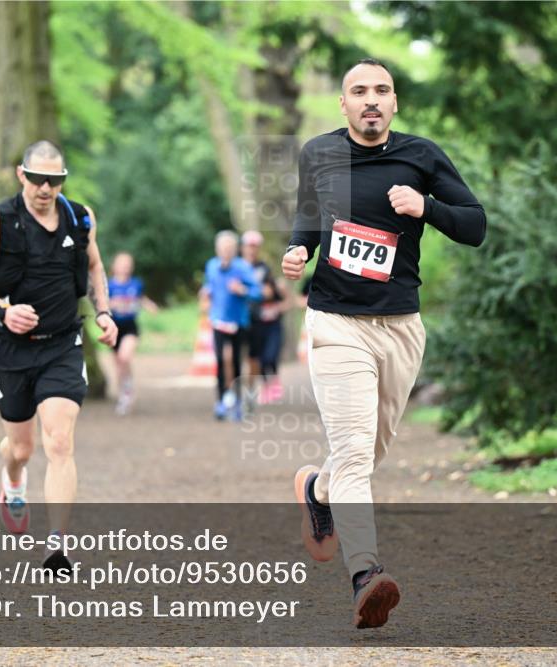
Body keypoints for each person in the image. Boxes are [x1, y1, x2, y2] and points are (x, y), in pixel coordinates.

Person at [282, 59, 486, 628]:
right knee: (353, 452)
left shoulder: (421, 156)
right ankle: (365, 574)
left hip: (400, 327)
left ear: (394, 103)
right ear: (343, 103)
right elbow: (308, 219)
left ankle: (318, 490)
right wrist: (299, 250)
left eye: (381, 90)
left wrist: (426, 207)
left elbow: (475, 225)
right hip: (335, 321)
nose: (370, 99)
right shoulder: (319, 153)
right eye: (359, 91)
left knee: (369, 449)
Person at [0, 140, 118, 573]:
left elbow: (94, 266)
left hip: (63, 344)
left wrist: (104, 312)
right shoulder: (0, 220)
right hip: (12, 349)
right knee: (22, 448)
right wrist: (3, 311)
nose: (46, 188)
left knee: (59, 441)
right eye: (37, 179)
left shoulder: (80, 217)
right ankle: (13, 480)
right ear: (21, 175)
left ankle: (57, 546)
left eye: (55, 180)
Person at [201, 230, 261, 421]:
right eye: (222, 248)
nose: (226, 251)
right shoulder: (211, 265)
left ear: (235, 250)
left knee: (235, 362)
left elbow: (257, 293)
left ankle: (236, 402)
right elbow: (209, 285)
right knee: (220, 360)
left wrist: (241, 289)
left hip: (238, 322)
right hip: (218, 320)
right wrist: (206, 292)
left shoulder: (243, 267)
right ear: (217, 249)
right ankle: (220, 401)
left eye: (229, 248)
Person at [240, 230, 287, 406]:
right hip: (243, 320)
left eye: (255, 246)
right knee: (250, 358)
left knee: (263, 357)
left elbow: (270, 292)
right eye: (249, 246)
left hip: (262, 321)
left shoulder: (263, 268)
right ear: (243, 247)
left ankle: (262, 389)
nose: (252, 250)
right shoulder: (237, 267)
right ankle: (246, 392)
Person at [108, 252, 158, 415]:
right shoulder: (109, 285)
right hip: (114, 328)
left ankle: (128, 390)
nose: (125, 267)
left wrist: (150, 305)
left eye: (128, 264)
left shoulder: (136, 284)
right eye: (122, 263)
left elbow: (140, 299)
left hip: (130, 327)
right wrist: (113, 304)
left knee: (124, 357)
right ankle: (123, 394)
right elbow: (102, 304)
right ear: (114, 266)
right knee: (118, 364)